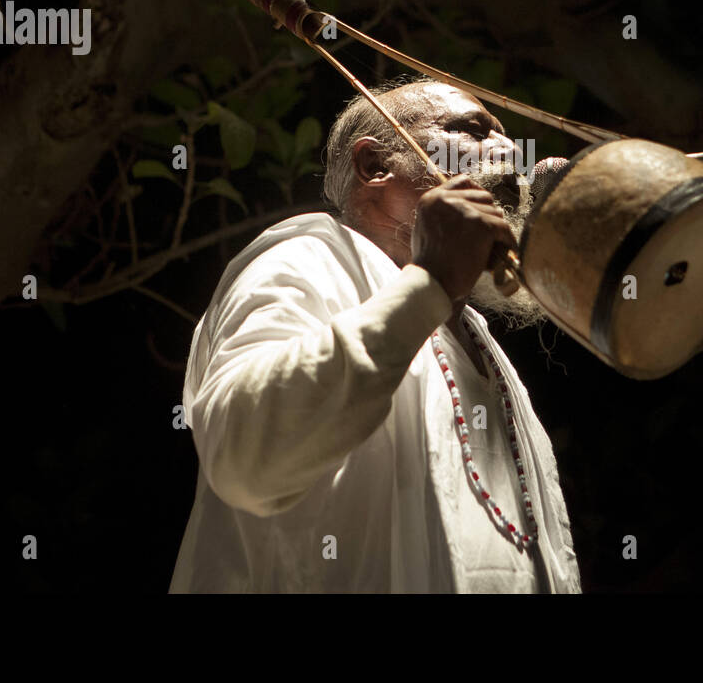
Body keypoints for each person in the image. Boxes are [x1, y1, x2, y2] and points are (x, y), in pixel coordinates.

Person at [168, 76, 581, 592]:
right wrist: (429, 282)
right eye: (471, 131)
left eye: (505, 136)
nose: (507, 151)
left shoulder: (477, 339)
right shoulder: (308, 256)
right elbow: (243, 453)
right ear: (374, 166)